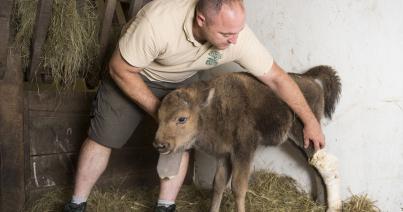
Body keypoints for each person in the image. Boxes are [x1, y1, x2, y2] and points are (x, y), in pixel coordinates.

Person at [63, 0, 325, 211]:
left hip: (181, 82)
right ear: (201, 20)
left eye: (237, 32)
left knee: (183, 140)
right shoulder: (159, 21)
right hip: (135, 74)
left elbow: (277, 78)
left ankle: (166, 206)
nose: (234, 40)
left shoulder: (236, 36)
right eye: (226, 33)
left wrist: (311, 121)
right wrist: (164, 114)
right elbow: (119, 68)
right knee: (103, 137)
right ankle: (77, 203)